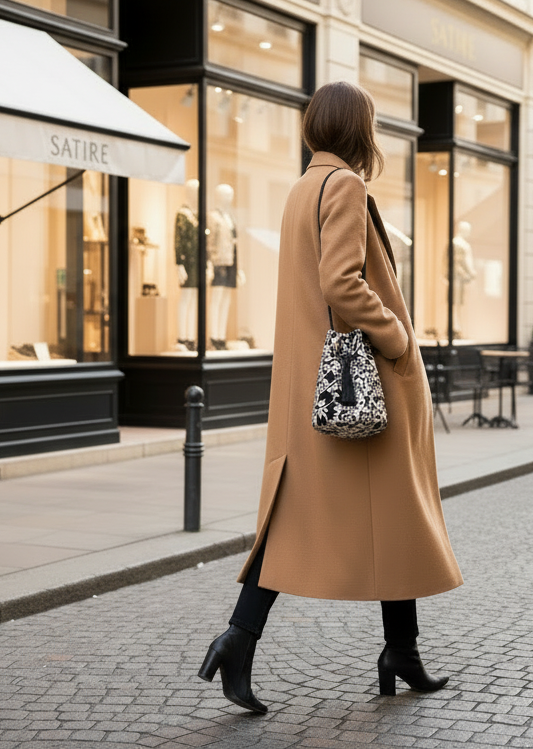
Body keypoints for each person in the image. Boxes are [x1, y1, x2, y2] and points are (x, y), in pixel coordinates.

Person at [198, 81, 463, 713]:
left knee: (309, 519)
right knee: (387, 510)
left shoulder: (302, 187)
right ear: (358, 128)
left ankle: (389, 650)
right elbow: (342, 284)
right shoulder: (344, 185)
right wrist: (398, 337)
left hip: (309, 388)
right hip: (357, 386)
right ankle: (389, 650)